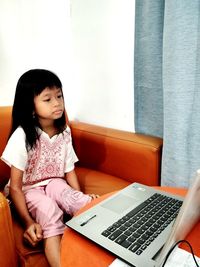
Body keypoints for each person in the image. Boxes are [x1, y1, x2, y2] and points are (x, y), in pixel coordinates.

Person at [1, 69, 98, 267]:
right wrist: (28, 223)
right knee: (49, 210)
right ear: (31, 106)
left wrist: (78, 197)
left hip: (54, 182)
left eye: (59, 96)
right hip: (27, 189)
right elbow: (17, 188)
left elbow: (68, 170)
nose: (57, 103)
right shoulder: (22, 137)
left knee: (71, 196)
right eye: (48, 99)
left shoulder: (64, 132)